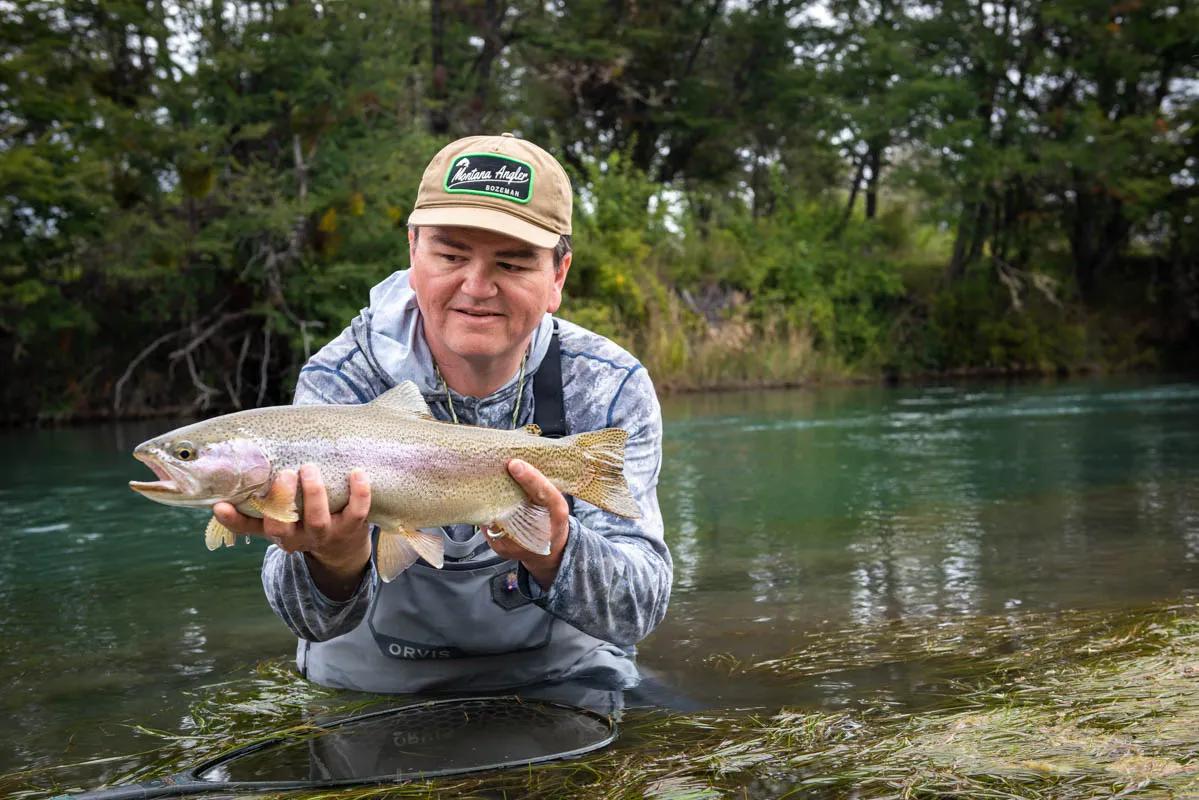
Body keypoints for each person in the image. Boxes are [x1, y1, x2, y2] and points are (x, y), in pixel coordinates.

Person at [213, 133, 671, 694]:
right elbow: (305, 621)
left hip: (559, 681)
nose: (477, 287)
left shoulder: (606, 382)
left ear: (558, 276)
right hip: (370, 690)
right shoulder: (340, 379)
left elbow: (641, 610)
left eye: (512, 262)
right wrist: (334, 559)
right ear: (412, 253)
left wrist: (559, 554)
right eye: (451, 255)